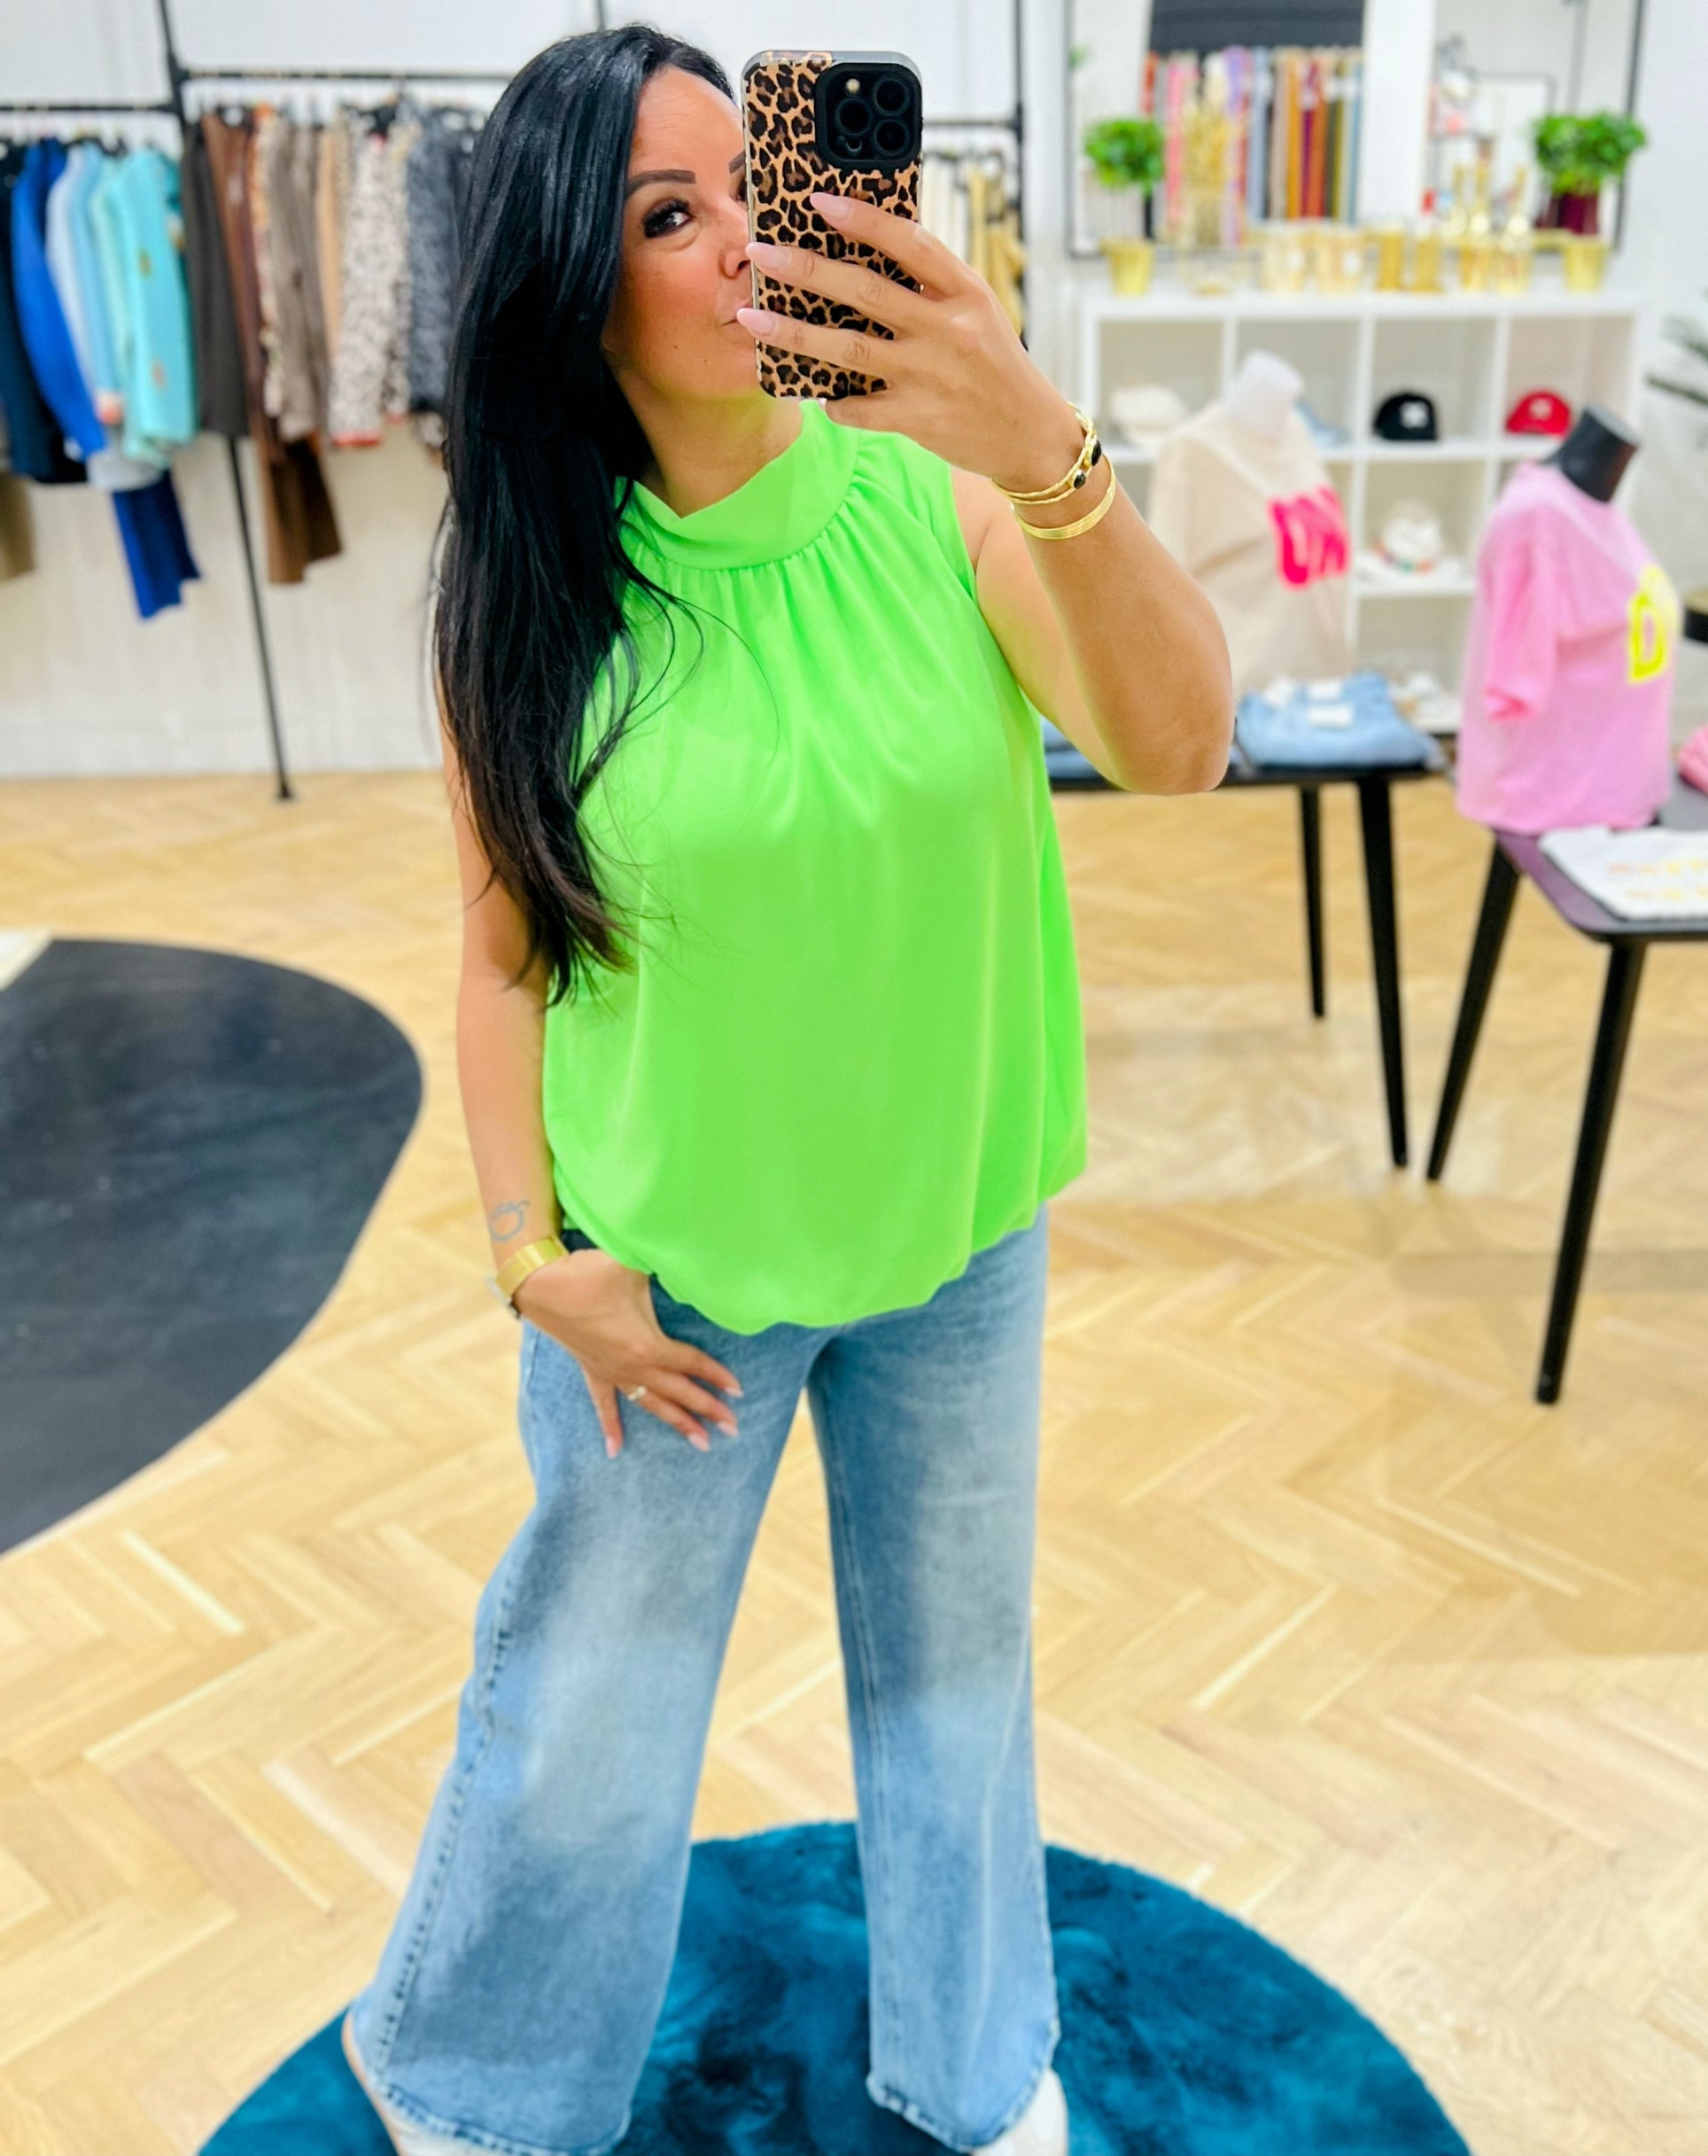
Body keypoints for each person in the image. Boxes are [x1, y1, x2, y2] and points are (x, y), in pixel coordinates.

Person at [341, 24, 1231, 2156]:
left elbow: (1179, 747)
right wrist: (529, 1253)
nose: (747, 237)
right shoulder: (530, 594)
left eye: (756, 178)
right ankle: (474, 2079)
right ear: (578, 293)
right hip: (673, 1279)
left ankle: (973, 2061)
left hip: (953, 1231)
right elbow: (501, 953)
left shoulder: (947, 492)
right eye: (673, 214)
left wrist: (1041, 440)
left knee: (957, 1686)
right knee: (591, 1705)